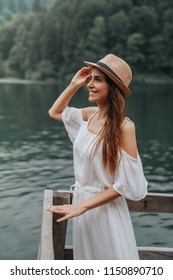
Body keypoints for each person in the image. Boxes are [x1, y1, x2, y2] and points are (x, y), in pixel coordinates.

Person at [47, 54, 148, 260]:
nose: (90, 84)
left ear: (113, 87)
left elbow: (125, 185)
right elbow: (55, 112)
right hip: (81, 210)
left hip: (105, 213)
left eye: (98, 80)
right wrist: (74, 84)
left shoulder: (125, 127)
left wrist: (82, 206)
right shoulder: (89, 114)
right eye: (90, 79)